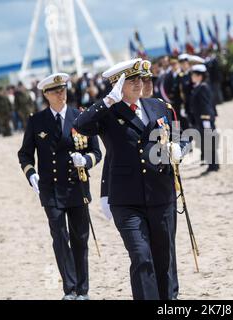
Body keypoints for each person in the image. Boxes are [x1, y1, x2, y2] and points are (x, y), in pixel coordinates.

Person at [73, 58, 189, 300]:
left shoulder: (158, 107)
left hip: (161, 195)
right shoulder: (107, 113)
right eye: (132, 80)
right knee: (140, 255)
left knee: (164, 258)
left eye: (141, 79)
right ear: (118, 84)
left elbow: (181, 134)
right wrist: (107, 101)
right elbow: (80, 125)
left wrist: (180, 149)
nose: (139, 84)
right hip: (127, 199)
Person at [17, 73, 102, 300]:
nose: (61, 94)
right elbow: (25, 154)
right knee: (59, 238)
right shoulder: (37, 121)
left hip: (77, 188)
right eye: (55, 91)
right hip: (50, 189)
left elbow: (96, 151)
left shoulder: (80, 117)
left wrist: (86, 161)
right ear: (45, 95)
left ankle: (83, 290)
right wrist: (31, 174)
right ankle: (70, 289)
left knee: (79, 238)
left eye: (63, 89)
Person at [190, 64, 219, 173]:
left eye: (194, 74)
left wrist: (206, 119)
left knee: (209, 141)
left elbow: (206, 105)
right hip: (201, 120)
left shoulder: (203, 87)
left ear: (199, 76)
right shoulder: (198, 86)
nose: (192, 76)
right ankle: (211, 163)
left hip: (205, 119)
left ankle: (214, 165)